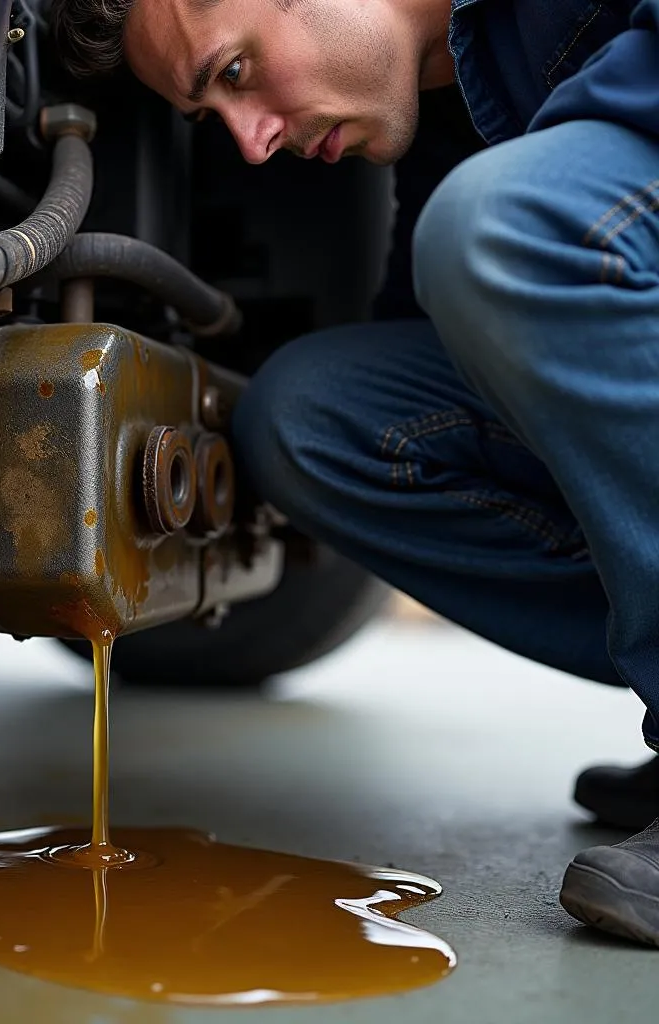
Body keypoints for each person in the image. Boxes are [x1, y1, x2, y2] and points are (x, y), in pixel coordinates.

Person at [51, 0, 659, 946]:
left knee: (502, 230)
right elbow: (435, 341)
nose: (250, 146)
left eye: (238, 72)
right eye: (213, 116)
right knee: (310, 419)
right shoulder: (450, 89)